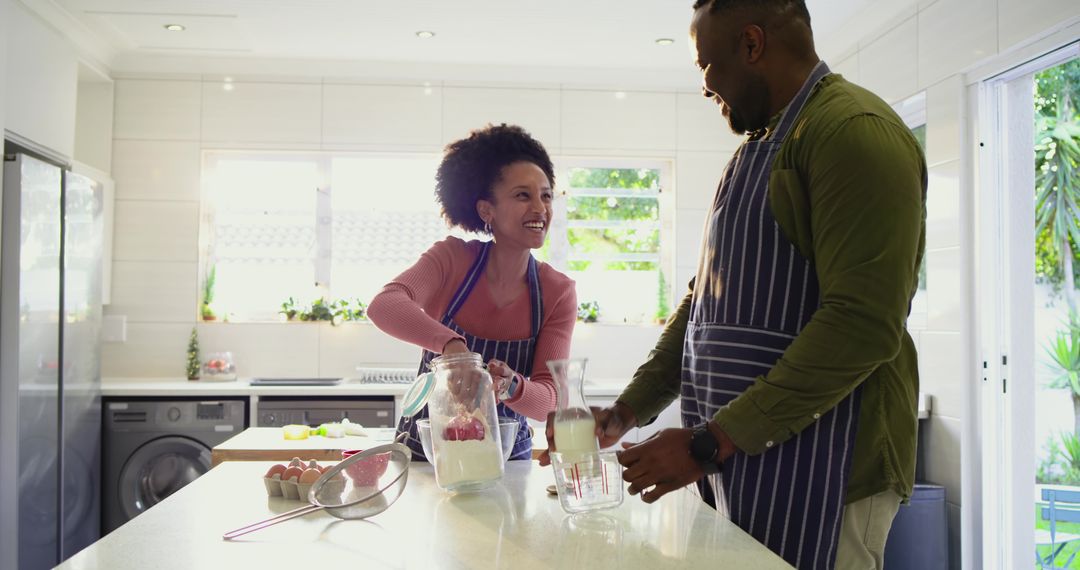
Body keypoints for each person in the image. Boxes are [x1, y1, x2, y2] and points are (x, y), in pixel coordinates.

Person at [540, 1, 925, 569]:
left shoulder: (853, 133)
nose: (703, 85)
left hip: (832, 465)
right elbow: (704, 308)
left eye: (705, 64)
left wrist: (707, 443)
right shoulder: (752, 154)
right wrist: (627, 411)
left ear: (751, 45)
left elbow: (862, 325)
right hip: (745, 459)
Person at [368, 123, 577, 462]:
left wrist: (511, 386)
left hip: (505, 460)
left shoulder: (557, 292)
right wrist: (452, 348)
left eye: (546, 195)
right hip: (428, 456)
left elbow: (551, 397)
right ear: (486, 210)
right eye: (523, 195)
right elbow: (384, 304)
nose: (540, 208)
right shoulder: (451, 260)